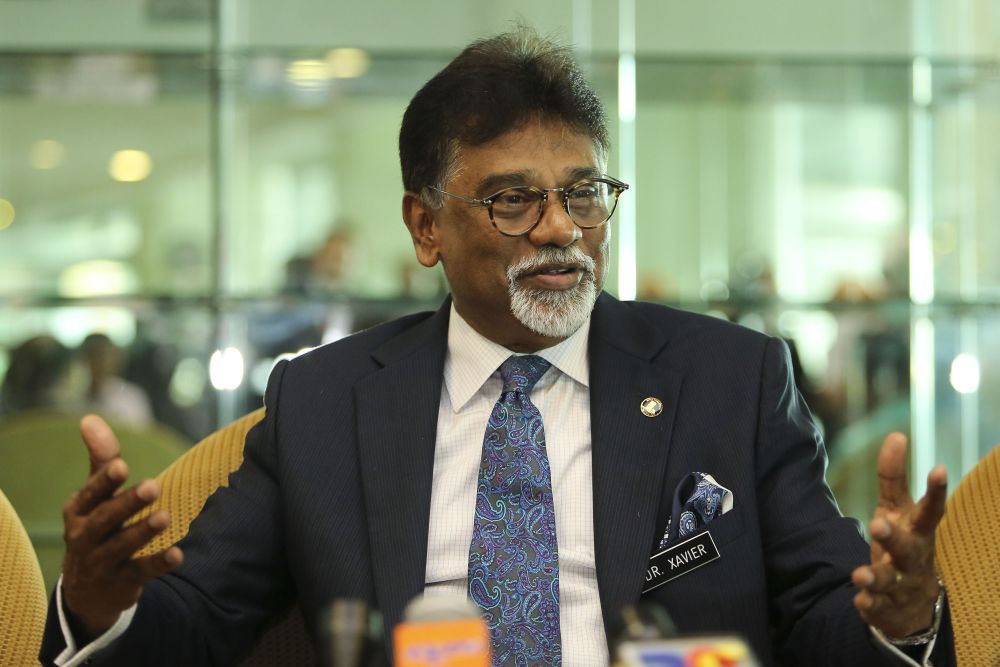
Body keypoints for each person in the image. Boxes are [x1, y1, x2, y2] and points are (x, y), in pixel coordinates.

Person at [41, 27, 953, 666]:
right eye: (513, 199)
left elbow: (835, 619)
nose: (560, 226)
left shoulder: (730, 380)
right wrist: (97, 599)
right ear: (424, 225)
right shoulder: (324, 404)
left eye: (584, 192)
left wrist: (902, 619)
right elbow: (193, 625)